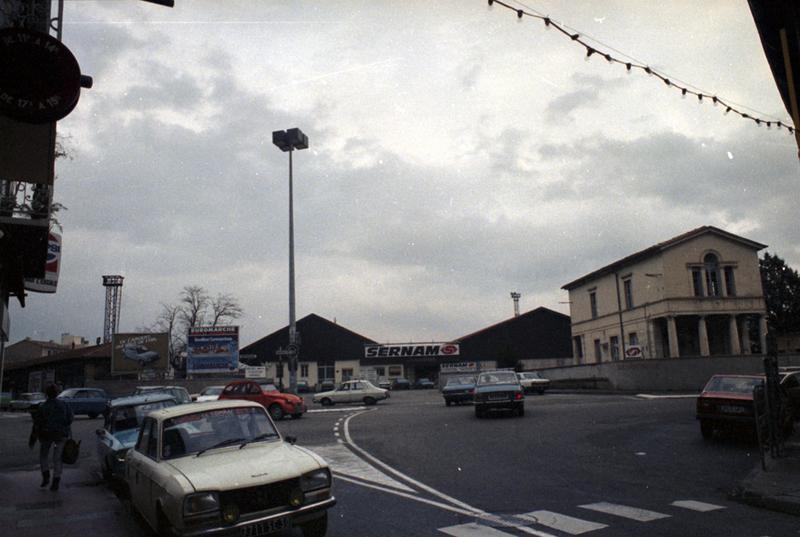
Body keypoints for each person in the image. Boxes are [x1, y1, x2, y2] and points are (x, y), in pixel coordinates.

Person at [34, 384, 73, 491]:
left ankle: (46, 475)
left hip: (47, 434)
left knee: (43, 455)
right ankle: (56, 480)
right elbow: (70, 419)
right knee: (58, 458)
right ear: (57, 393)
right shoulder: (64, 405)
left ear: (47, 394)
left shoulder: (43, 406)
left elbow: (38, 422)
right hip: (61, 434)